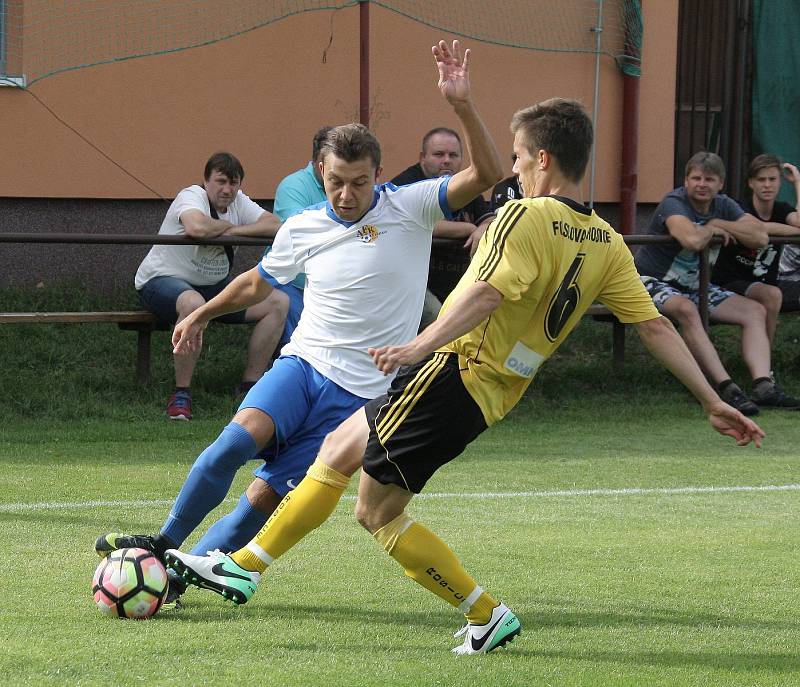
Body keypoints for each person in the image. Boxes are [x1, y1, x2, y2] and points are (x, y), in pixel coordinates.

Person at [164, 99, 764, 656]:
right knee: (336, 450)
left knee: (375, 513)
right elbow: (656, 326)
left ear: (544, 160)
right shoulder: (605, 240)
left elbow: (483, 294)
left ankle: (483, 611)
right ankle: (245, 564)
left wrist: (414, 348)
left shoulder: (522, 216)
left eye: (520, 158)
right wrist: (711, 399)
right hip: (489, 393)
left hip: (452, 373)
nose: (515, 169)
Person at [96, 39, 502, 608]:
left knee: (261, 498)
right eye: (336, 179)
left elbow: (489, 171)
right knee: (226, 450)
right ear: (320, 170)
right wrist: (204, 314)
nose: (347, 192)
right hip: (303, 365)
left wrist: (462, 104)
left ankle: (177, 578)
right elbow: (258, 282)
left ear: (378, 174)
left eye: (359, 181)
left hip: (359, 396)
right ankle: (163, 543)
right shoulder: (303, 225)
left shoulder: (411, 206)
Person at [634, 151, 798, 414]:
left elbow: (759, 236)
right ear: (686, 181)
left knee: (755, 310)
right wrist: (711, 230)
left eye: (709, 179)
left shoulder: (723, 206)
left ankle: (763, 387)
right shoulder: (674, 202)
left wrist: (719, 222)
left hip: (695, 285)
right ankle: (726, 388)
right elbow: (691, 240)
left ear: (720, 184)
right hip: (651, 280)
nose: (702, 184)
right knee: (686, 309)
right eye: (696, 178)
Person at [135, 152, 288, 420]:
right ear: (206, 181)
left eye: (233, 183)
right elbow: (196, 227)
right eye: (220, 182)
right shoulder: (191, 195)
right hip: (160, 282)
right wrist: (229, 226)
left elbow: (276, 225)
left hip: (212, 288)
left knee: (278, 302)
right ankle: (181, 394)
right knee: (193, 303)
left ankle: (249, 389)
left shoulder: (240, 202)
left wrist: (231, 231)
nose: (227, 190)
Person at [391, 127, 496, 328]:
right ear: (422, 158)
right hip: (414, 286)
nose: (446, 160)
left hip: (457, 282)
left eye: (453, 155)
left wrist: (483, 227)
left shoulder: (463, 184)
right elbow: (419, 224)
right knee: (441, 324)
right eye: (439, 154)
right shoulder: (406, 185)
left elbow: (489, 219)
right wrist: (467, 229)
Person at [712, 154, 800, 339]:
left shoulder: (781, 209)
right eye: (761, 180)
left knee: (771, 292)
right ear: (751, 183)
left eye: (772, 179)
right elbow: (758, 228)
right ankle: (765, 360)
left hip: (766, 280)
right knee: (772, 295)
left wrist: (797, 182)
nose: (767, 185)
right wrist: (794, 231)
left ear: (779, 183)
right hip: (729, 281)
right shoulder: (738, 207)